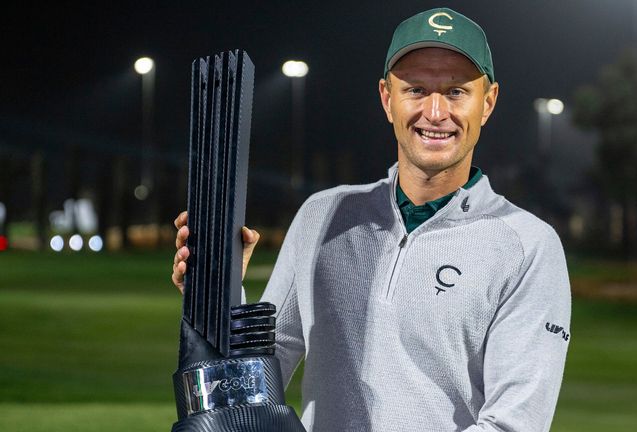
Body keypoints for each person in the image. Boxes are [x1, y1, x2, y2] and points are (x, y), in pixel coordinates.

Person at [172, 7, 571, 432]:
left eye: (456, 92)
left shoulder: (527, 245)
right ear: (387, 99)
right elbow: (260, 376)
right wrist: (219, 294)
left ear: (487, 102)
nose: (435, 113)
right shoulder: (322, 215)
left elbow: (514, 423)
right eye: (416, 89)